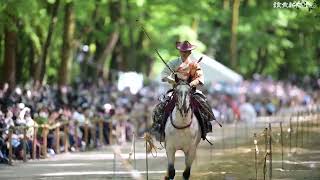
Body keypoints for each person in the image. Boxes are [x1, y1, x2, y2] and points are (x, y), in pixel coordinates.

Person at [151, 41, 215, 141]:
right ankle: (160, 129)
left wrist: (190, 84)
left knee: (203, 103)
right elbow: (163, 75)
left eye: (187, 51)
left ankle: (204, 128)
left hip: (191, 91)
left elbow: (200, 78)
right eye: (182, 51)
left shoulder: (194, 64)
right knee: (160, 107)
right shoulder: (173, 63)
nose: (184, 53)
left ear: (190, 52)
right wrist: (173, 80)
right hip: (176, 90)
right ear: (179, 51)